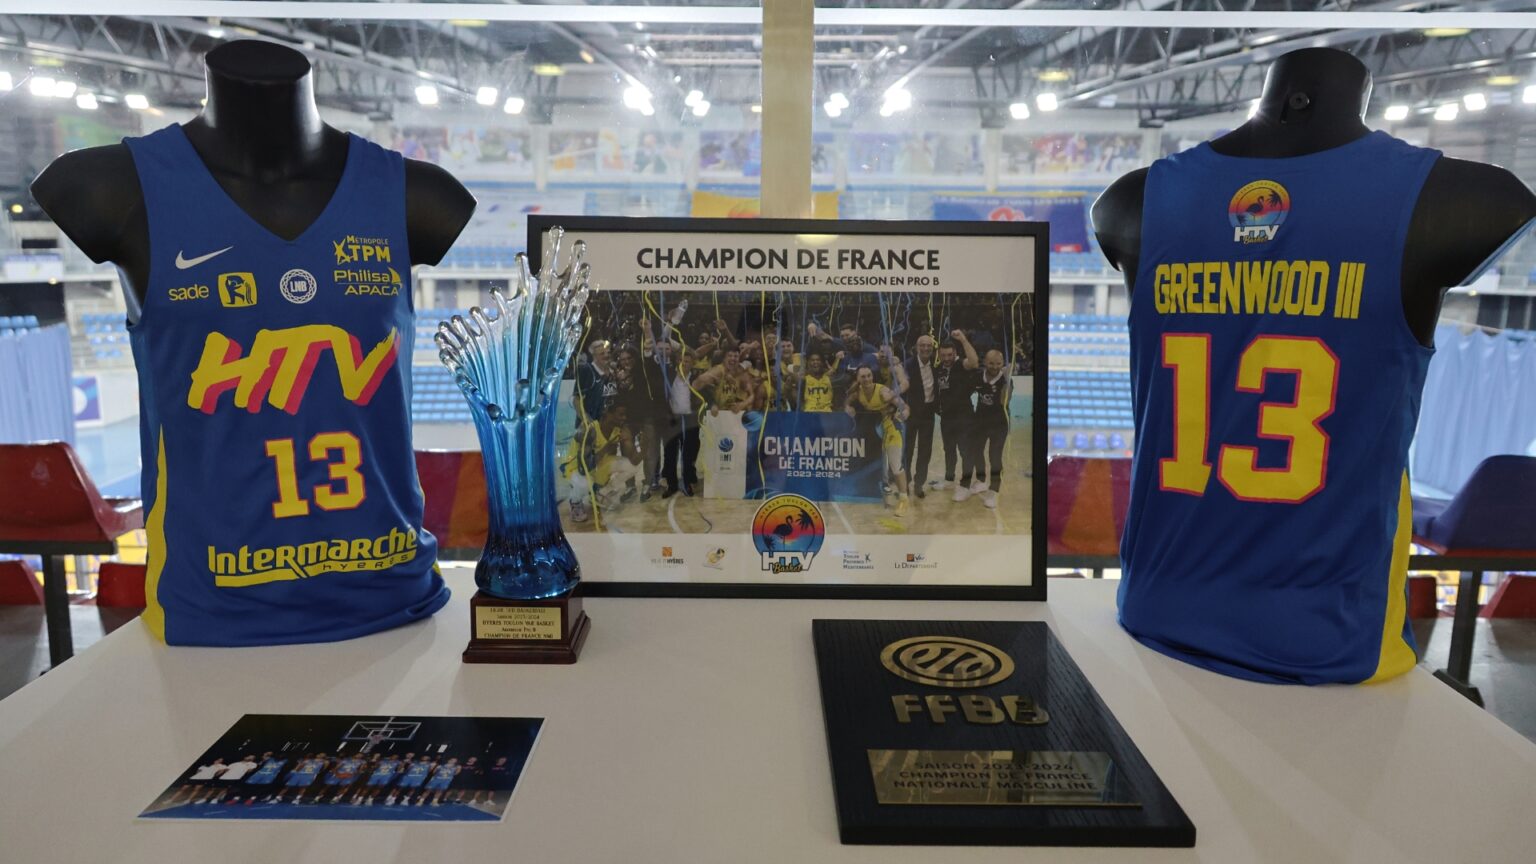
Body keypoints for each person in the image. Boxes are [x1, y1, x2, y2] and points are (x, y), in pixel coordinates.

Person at [845, 366, 911, 515]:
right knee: (876, 463)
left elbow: (905, 407)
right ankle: (882, 488)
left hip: (892, 428)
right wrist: (848, 408)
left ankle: (904, 499)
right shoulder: (857, 392)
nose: (867, 379)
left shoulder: (883, 391)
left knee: (895, 465)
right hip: (876, 431)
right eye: (863, 376)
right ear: (858, 379)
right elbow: (847, 401)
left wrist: (904, 413)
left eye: (869, 375)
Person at [565, 403, 644, 520]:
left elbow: (634, 461)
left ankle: (602, 492)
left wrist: (644, 446)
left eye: (625, 415)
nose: (624, 418)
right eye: (621, 414)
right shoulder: (589, 430)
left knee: (630, 467)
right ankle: (575, 502)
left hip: (597, 465)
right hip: (576, 467)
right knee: (585, 483)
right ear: (608, 414)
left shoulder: (617, 431)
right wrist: (605, 449)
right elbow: (584, 466)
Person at [958, 349, 1011, 509]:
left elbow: (1004, 401)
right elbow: (964, 393)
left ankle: (994, 490)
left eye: (998, 364)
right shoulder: (978, 376)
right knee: (974, 452)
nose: (994, 366)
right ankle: (979, 481)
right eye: (991, 363)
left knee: (995, 457)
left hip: (999, 424)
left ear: (1002, 364)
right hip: (980, 422)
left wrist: (1007, 381)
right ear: (985, 362)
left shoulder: (1005, 380)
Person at [936, 332, 981, 494]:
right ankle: (949, 480)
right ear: (939, 355)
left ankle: (965, 484)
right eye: (943, 355)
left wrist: (963, 339)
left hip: (964, 417)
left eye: (949, 355)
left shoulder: (961, 365)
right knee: (949, 450)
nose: (946, 358)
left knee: (965, 451)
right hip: (946, 418)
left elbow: (974, 362)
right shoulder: (938, 369)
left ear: (955, 353)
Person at [658, 341, 701, 498]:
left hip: (690, 420)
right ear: (677, 361)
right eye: (681, 360)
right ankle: (672, 484)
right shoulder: (668, 376)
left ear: (692, 363)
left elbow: (705, 395)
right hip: (672, 420)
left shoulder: (696, 377)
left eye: (687, 361)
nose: (684, 363)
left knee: (689, 453)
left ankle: (688, 482)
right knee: (670, 453)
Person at [901, 334, 941, 497]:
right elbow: (901, 389)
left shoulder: (937, 366)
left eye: (928, 346)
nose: (925, 348)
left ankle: (919, 483)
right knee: (907, 450)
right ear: (917, 348)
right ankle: (905, 482)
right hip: (910, 413)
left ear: (932, 348)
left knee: (925, 451)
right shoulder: (907, 365)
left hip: (928, 414)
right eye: (922, 345)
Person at [692, 344, 762, 414]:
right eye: (730, 356)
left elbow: (752, 396)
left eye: (736, 356)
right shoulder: (718, 371)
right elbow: (695, 385)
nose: (733, 358)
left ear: (739, 359)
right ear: (724, 359)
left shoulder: (741, 373)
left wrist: (742, 404)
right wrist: (711, 403)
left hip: (729, 413)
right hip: (714, 413)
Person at [574, 339, 617, 425]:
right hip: (589, 425)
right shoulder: (587, 370)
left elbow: (610, 399)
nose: (606, 355)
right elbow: (576, 400)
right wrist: (587, 421)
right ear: (594, 356)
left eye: (608, 353)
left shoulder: (612, 372)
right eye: (602, 353)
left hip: (606, 424)